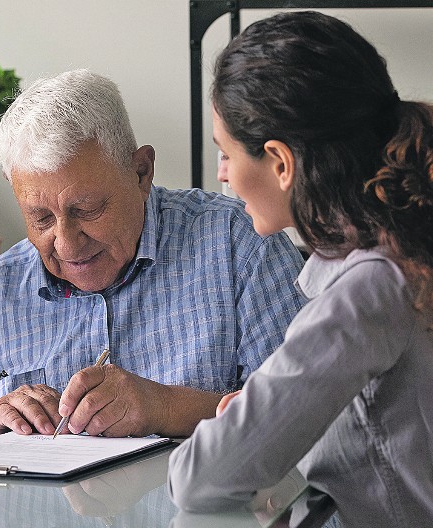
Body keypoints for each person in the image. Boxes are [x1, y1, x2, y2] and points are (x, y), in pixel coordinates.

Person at [166, 11, 433, 526]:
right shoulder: (403, 256)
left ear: (281, 162)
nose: (222, 175)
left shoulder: (369, 289)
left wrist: (246, 431)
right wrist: (264, 415)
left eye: (225, 154)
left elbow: (198, 479)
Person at [0, 69, 306, 437]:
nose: (66, 244)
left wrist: (164, 407)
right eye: (41, 218)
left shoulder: (241, 245)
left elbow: (305, 412)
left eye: (87, 209)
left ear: (141, 172)